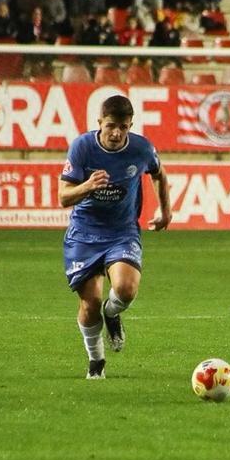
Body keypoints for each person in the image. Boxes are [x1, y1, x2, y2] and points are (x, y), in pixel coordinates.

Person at [58, 95, 171, 379]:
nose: (116, 133)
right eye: (111, 126)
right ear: (100, 123)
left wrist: (165, 211)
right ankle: (96, 360)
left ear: (130, 125)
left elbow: (159, 174)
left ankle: (113, 313)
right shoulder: (82, 147)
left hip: (122, 232)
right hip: (84, 233)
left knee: (125, 290)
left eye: (123, 126)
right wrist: (87, 185)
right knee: (90, 303)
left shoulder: (141, 148)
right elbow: (63, 197)